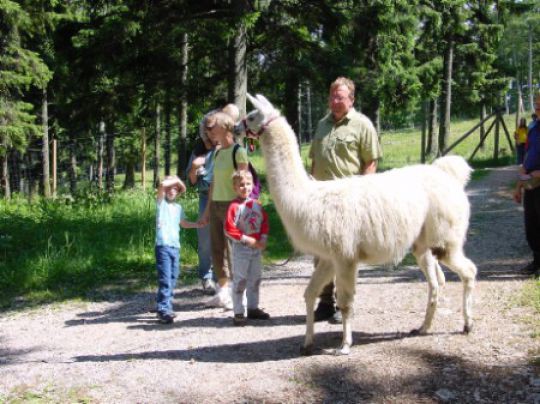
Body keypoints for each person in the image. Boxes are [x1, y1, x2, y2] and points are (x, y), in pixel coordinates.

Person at [309, 76, 382, 323]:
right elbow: (314, 160)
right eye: (332, 96)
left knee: (344, 255)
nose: (334, 101)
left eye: (339, 97)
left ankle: (344, 305)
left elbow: (370, 163)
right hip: (321, 201)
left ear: (351, 99)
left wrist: (363, 196)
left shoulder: (362, 125)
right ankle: (326, 302)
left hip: (348, 203)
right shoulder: (322, 125)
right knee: (320, 254)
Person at [201, 108, 249, 310]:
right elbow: (212, 183)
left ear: (225, 127)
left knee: (233, 252)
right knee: (216, 250)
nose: (209, 131)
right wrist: (207, 210)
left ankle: (241, 295)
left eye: (213, 127)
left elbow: (245, 181)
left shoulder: (239, 152)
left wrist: (242, 207)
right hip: (216, 205)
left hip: (231, 206)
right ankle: (223, 292)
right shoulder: (217, 152)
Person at [225, 170, 270, 326]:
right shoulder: (234, 206)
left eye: (248, 184)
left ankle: (253, 308)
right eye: (241, 185)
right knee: (240, 280)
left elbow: (264, 222)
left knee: (255, 279)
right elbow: (229, 228)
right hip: (241, 249)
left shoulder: (256, 204)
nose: (245, 187)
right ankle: (238, 312)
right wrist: (246, 239)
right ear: (235, 187)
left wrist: (263, 239)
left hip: (256, 249)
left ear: (253, 185)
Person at [155, 175, 201, 324]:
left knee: (173, 278)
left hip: (175, 247)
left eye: (175, 189)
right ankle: (163, 310)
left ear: (178, 192)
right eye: (169, 188)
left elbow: (183, 223)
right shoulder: (161, 203)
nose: (171, 190)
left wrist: (197, 224)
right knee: (165, 279)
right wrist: (175, 180)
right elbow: (162, 184)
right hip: (163, 246)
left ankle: (164, 304)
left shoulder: (178, 207)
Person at [186, 122, 218, 295]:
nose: (209, 134)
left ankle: (224, 277)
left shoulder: (223, 149)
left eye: (212, 130)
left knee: (226, 237)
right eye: (206, 131)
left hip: (224, 196)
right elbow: (191, 182)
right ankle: (206, 277)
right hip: (205, 197)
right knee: (205, 239)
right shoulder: (197, 151)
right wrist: (194, 168)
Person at [514, 100, 540, 277]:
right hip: (531, 181)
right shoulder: (533, 127)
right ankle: (537, 262)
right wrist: (519, 185)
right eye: (537, 104)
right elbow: (526, 156)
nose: (537, 107)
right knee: (531, 224)